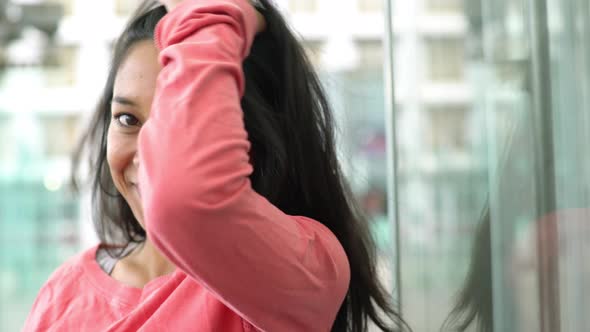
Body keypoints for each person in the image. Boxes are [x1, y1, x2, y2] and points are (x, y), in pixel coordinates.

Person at [24, 0, 409, 331]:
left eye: (173, 122)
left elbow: (185, 198)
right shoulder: (65, 290)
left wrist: (212, 15)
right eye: (127, 119)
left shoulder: (310, 269)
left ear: (261, 133)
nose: (147, 154)